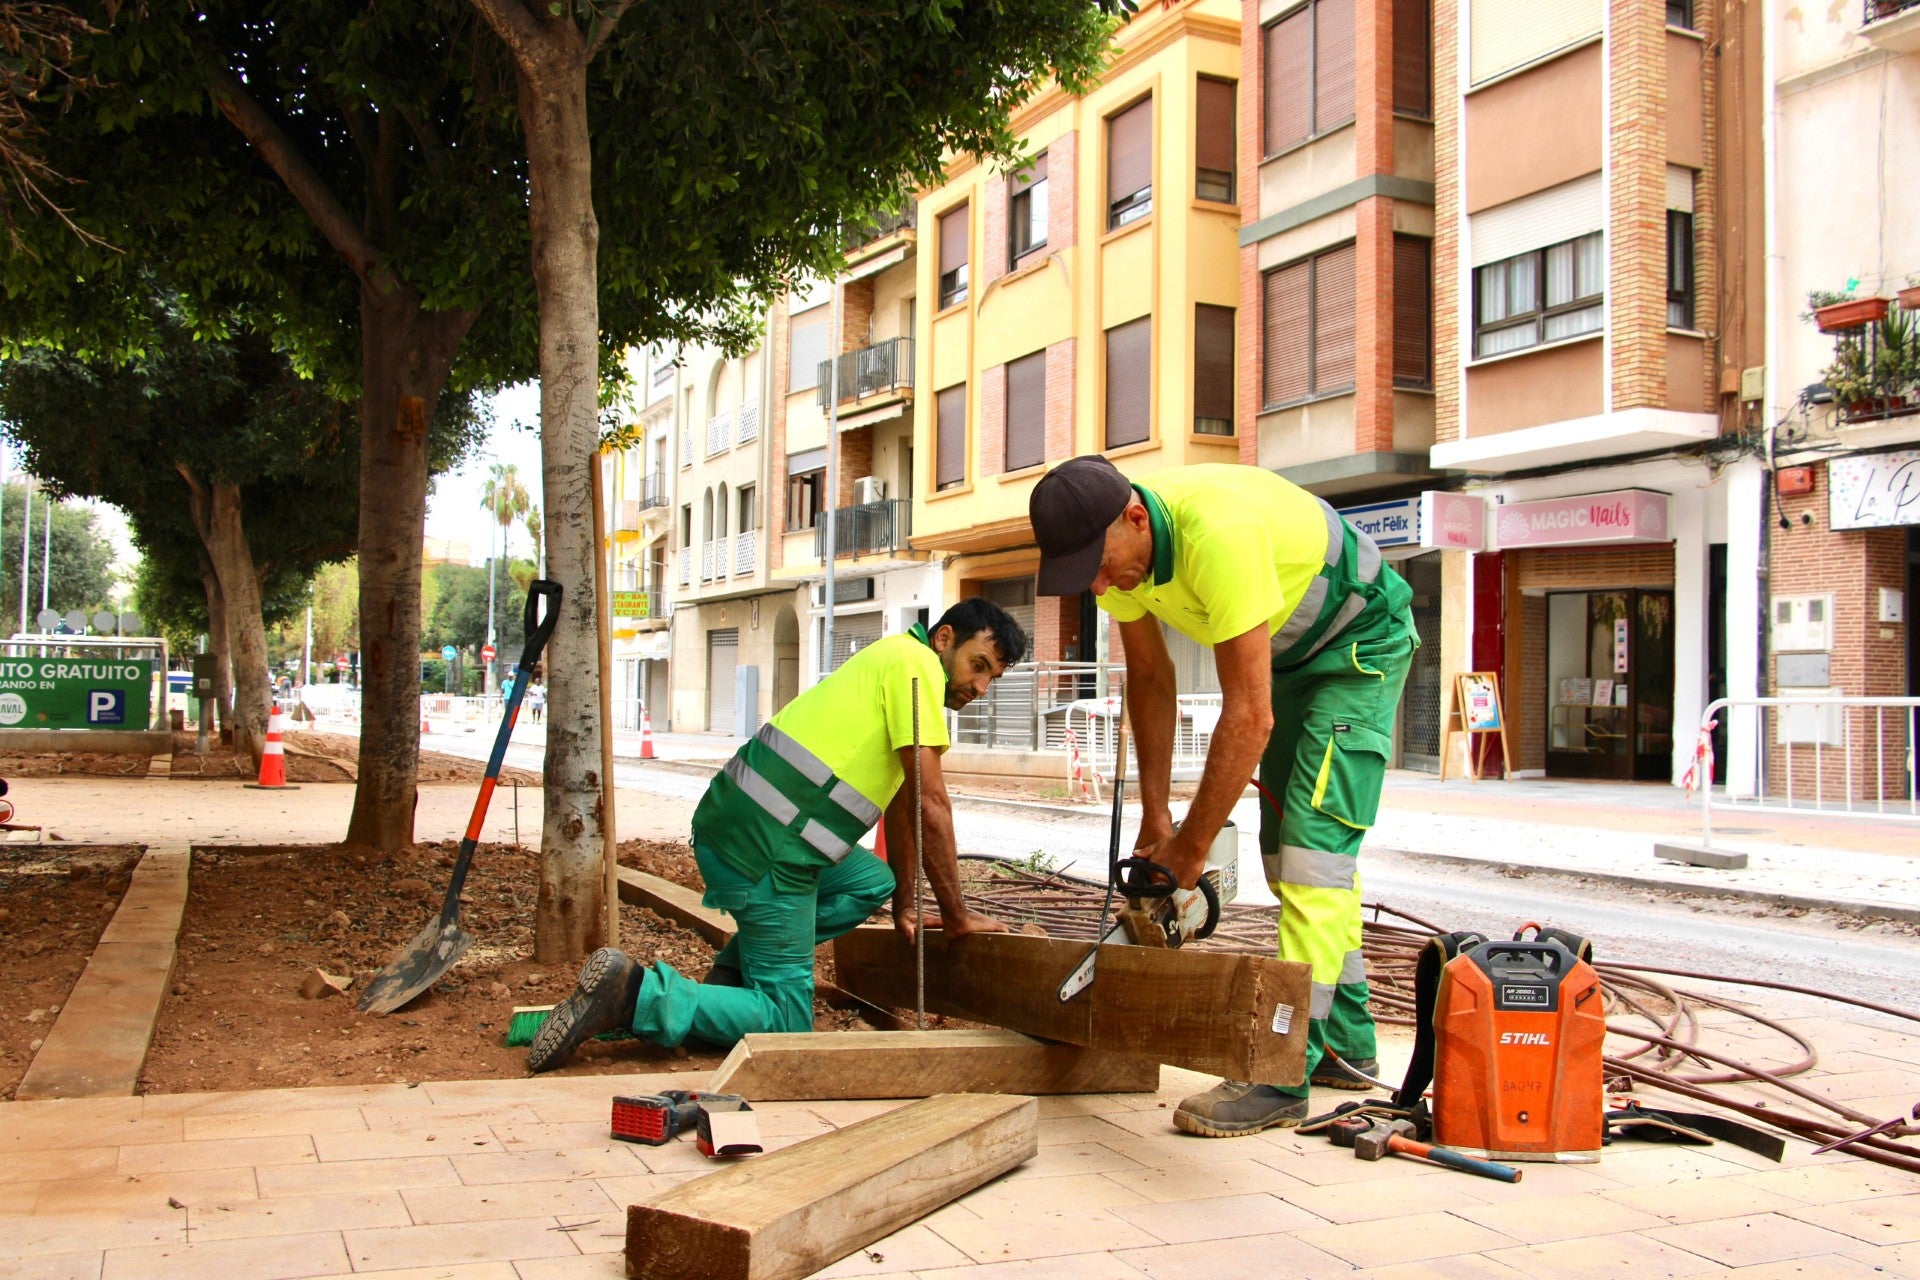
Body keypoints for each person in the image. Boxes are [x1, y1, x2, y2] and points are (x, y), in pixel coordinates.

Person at [1029, 455, 1418, 1136]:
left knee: (1312, 854)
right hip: (1294, 661)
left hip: (1360, 647)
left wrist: (1193, 849)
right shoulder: (1121, 556)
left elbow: (1248, 716)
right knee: (1285, 856)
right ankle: (1346, 1044)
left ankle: (1279, 1067)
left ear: (1136, 519)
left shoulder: (1219, 536)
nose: (1095, 584)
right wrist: (1159, 816)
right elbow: (1150, 680)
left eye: (1097, 563)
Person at [527, 597, 1029, 1071]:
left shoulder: (895, 659)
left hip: (746, 827)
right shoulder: (916, 667)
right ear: (944, 638)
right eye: (978, 665)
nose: (980, 686)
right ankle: (634, 993)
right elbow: (931, 805)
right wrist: (960, 917)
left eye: (994, 678)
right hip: (772, 848)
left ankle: (731, 979)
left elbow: (905, 806)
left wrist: (904, 903)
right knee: (786, 1019)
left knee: (871, 883)